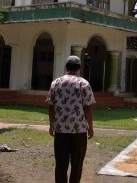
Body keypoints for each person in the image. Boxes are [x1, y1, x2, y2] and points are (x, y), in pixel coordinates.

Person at [47, 55, 96, 183]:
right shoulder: (83, 83)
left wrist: (51, 124)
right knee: (77, 164)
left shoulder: (56, 83)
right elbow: (88, 108)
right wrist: (90, 127)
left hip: (60, 130)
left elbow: (51, 106)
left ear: (66, 67)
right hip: (79, 130)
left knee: (61, 164)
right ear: (79, 68)